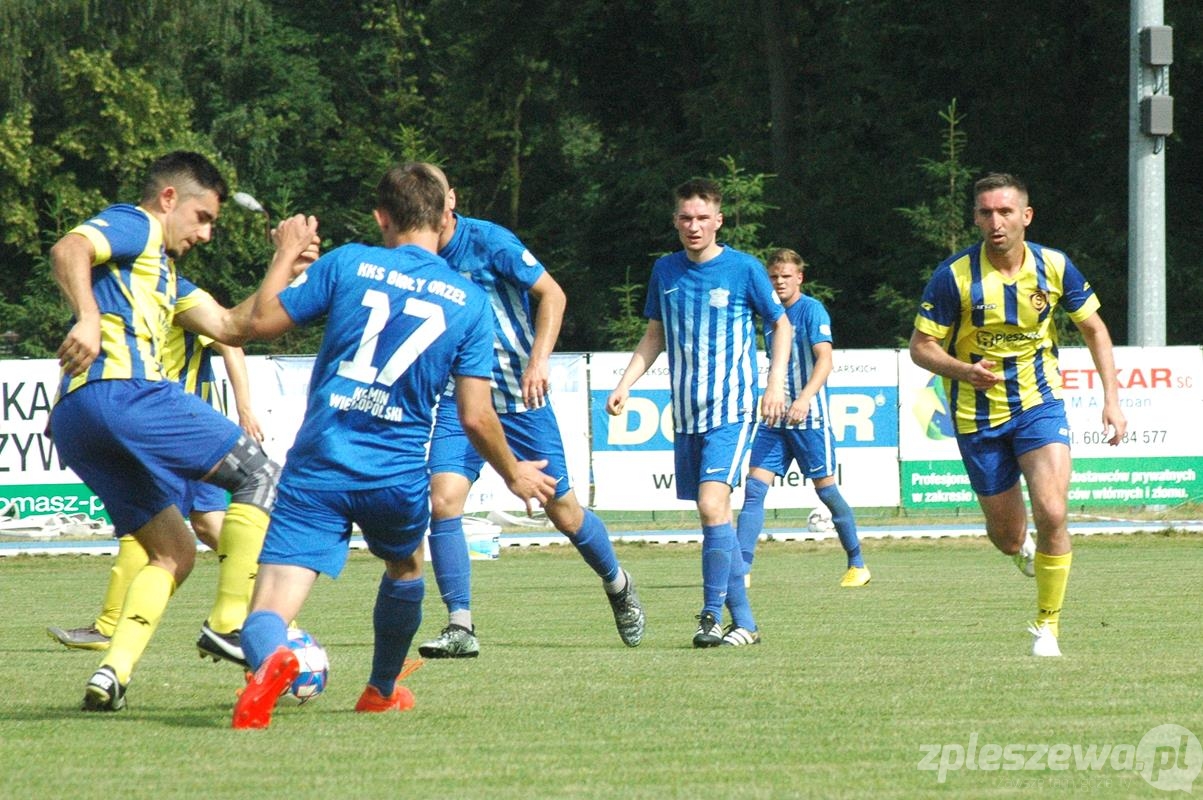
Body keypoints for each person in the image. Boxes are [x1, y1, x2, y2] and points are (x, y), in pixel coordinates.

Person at [230, 162, 557, 729]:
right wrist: (513, 473)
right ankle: (380, 690)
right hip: (395, 475)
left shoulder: (348, 263)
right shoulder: (469, 302)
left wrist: (285, 252)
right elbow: (476, 415)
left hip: (320, 464)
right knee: (405, 568)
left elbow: (257, 321)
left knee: (270, 605)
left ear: (382, 217)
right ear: (443, 215)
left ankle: (272, 661)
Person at [48, 151, 285, 711]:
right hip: (126, 394)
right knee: (259, 474)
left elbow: (233, 326)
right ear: (169, 198)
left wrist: (285, 264)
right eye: (202, 217)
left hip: (76, 420)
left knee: (174, 552)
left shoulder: (165, 277)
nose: (205, 234)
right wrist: (87, 316)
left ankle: (111, 674)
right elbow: (69, 247)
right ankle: (230, 623)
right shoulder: (138, 224)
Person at [415, 163, 644, 659]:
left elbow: (552, 294)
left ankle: (617, 582)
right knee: (443, 501)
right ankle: (460, 625)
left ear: (451, 199)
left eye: (438, 196)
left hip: (522, 399)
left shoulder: (490, 241)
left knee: (563, 511)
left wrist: (538, 361)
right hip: (462, 398)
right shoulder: (416, 254)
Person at [908, 172, 1126, 658]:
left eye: (1005, 212)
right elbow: (921, 348)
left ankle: (1048, 627)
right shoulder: (954, 276)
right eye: (986, 212)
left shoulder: (1054, 266)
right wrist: (964, 370)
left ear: (1026, 216)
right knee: (1008, 539)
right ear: (976, 219)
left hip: (1038, 405)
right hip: (977, 416)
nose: (996, 222)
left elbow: (1094, 329)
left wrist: (1112, 399)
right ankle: (1022, 549)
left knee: (1053, 511)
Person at [605, 178, 792, 648]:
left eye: (703, 218)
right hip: (687, 414)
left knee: (712, 505)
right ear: (676, 221)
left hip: (733, 408)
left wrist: (774, 384)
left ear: (718, 221)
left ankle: (710, 615)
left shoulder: (743, 269)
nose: (694, 226)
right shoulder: (665, 270)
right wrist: (625, 383)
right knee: (715, 516)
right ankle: (744, 623)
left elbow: (781, 324)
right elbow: (655, 334)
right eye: (686, 218)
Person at [46, 299, 266, 657]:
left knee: (162, 527)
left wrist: (245, 410)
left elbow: (230, 343)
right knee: (202, 526)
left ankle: (110, 628)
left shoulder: (172, 296)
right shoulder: (128, 303)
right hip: (153, 419)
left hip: (175, 425)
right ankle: (275, 607)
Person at [735, 249, 870, 593]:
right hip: (775, 419)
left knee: (827, 491)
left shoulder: (811, 310)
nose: (779, 282)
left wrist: (805, 398)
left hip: (810, 419)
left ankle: (857, 563)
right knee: (754, 489)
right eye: (773, 277)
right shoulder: (770, 314)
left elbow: (825, 360)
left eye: (785, 276)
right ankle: (742, 569)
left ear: (799, 278)